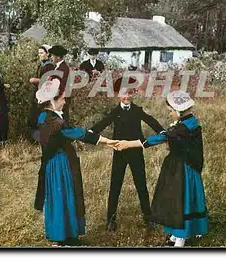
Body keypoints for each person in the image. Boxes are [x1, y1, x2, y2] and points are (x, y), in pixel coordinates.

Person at [116, 91, 209, 248]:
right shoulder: (190, 122)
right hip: (185, 165)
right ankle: (177, 233)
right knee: (176, 198)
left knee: (180, 199)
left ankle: (181, 236)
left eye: (171, 110)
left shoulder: (183, 128)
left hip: (182, 168)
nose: (170, 113)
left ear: (178, 110)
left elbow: (160, 138)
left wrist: (128, 144)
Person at [33, 79, 118, 246]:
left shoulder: (45, 116)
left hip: (52, 162)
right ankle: (60, 237)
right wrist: (106, 141)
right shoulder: (54, 122)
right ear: (52, 101)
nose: (65, 101)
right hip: (60, 163)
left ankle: (66, 234)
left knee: (61, 196)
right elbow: (78, 133)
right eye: (62, 99)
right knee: (62, 196)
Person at [90, 77, 165, 232]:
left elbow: (150, 120)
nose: (127, 96)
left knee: (141, 184)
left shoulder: (137, 110)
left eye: (129, 93)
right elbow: (103, 122)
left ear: (133, 93)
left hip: (136, 152)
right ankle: (111, 219)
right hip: (119, 152)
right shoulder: (115, 111)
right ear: (118, 94)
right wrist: (90, 133)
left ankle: (148, 217)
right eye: (123, 93)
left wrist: (162, 131)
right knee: (115, 184)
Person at [28, 44, 55, 140]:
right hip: (38, 93)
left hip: (45, 94)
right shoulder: (41, 64)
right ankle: (37, 138)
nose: (40, 55)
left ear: (47, 54)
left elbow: (48, 80)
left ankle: (43, 138)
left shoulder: (50, 66)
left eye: (42, 53)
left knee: (42, 116)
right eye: (39, 53)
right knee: (34, 116)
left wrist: (36, 80)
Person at [47, 45, 71, 121]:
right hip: (57, 98)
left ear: (58, 57)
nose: (51, 57)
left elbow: (60, 85)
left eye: (52, 56)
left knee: (60, 120)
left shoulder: (63, 68)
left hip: (59, 99)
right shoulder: (58, 67)